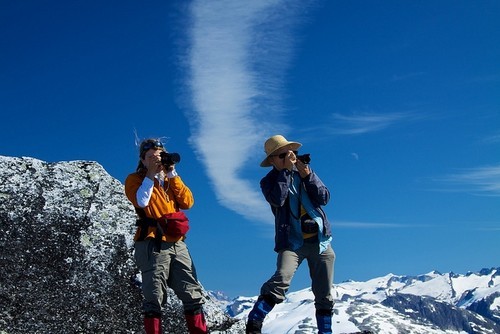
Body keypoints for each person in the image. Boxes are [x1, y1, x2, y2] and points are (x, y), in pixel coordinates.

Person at [245, 135, 336, 334]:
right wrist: (286, 172)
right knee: (282, 278)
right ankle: (254, 321)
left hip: (319, 240)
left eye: (291, 153)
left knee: (324, 292)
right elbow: (278, 199)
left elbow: (324, 197)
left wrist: (308, 175)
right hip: (292, 241)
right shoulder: (268, 181)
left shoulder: (304, 173)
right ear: (272, 161)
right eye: (283, 155)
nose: (289, 158)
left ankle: (325, 331)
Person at [125, 139, 207, 334]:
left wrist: (172, 172)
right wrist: (151, 176)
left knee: (192, 293)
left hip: (177, 244)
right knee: (154, 296)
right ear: (142, 160)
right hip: (152, 242)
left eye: (159, 156)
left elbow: (188, 202)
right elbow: (141, 201)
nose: (156, 160)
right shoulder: (134, 179)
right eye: (151, 157)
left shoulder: (170, 181)